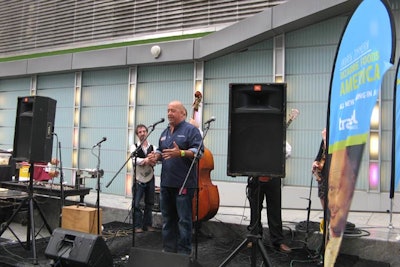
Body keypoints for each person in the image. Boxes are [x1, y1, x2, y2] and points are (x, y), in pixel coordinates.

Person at [150, 100, 203, 255]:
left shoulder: (191, 130)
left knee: (184, 221)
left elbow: (199, 152)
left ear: (183, 113)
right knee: (167, 220)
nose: (169, 113)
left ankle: (183, 255)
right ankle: (168, 251)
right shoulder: (165, 132)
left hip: (184, 184)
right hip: (166, 184)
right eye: (168, 110)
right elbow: (161, 151)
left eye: (173, 110)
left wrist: (180, 153)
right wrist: (155, 156)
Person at [246, 142, 292, 253]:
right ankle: (255, 237)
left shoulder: (276, 135)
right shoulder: (253, 136)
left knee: (275, 209)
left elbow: (288, 152)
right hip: (256, 175)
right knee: (255, 209)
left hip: (273, 175)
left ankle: (278, 241)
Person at [130, 124, 157, 233]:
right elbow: (133, 160)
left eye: (144, 131)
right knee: (136, 203)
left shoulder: (153, 147)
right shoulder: (134, 147)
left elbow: (158, 160)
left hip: (150, 177)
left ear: (147, 132)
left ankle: (148, 225)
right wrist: (146, 160)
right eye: (140, 132)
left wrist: (154, 160)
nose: (142, 133)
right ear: (137, 134)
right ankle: (137, 226)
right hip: (138, 178)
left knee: (149, 202)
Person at [312, 128, 328, 209]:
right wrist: (315, 161)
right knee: (322, 194)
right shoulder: (325, 137)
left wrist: (325, 139)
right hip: (323, 169)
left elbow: (330, 152)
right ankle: (326, 216)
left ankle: (331, 218)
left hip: (333, 169)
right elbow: (320, 152)